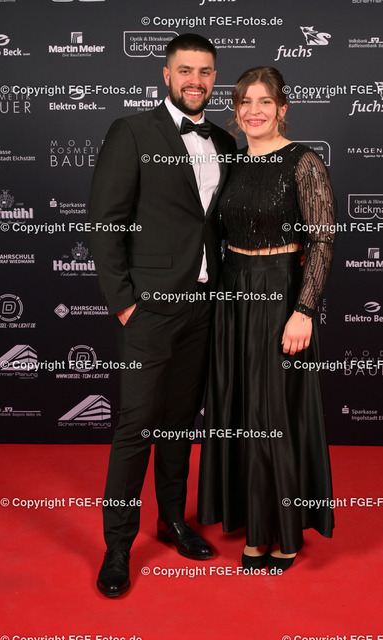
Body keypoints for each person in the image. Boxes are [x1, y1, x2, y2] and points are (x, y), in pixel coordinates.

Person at [88, 33, 236, 597]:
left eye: (206, 71)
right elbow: (105, 220)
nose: (196, 80)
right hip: (148, 309)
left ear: (213, 78)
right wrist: (124, 301)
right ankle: (118, 547)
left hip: (203, 306)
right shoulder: (131, 131)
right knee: (136, 427)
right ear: (167, 75)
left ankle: (173, 520)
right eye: (186, 70)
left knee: (178, 422)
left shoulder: (225, 141)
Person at [197, 66, 336, 573]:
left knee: (274, 415)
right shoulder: (230, 162)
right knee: (238, 409)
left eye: (264, 102)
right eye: (245, 102)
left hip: (280, 296)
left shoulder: (304, 162)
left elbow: (322, 240)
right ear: (236, 110)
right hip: (233, 294)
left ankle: (284, 531)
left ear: (282, 108)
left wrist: (304, 310)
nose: (253, 111)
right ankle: (253, 523)